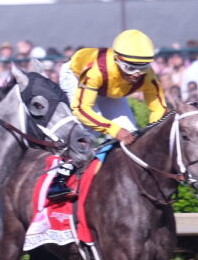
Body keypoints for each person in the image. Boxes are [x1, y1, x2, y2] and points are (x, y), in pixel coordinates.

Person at [52, 28, 168, 201]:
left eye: (142, 68)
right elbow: (82, 109)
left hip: (110, 88)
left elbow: (159, 109)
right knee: (89, 132)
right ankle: (59, 178)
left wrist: (154, 134)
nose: (136, 74)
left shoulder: (147, 76)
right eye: (130, 68)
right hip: (76, 76)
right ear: (118, 60)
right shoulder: (96, 70)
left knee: (131, 134)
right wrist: (113, 129)